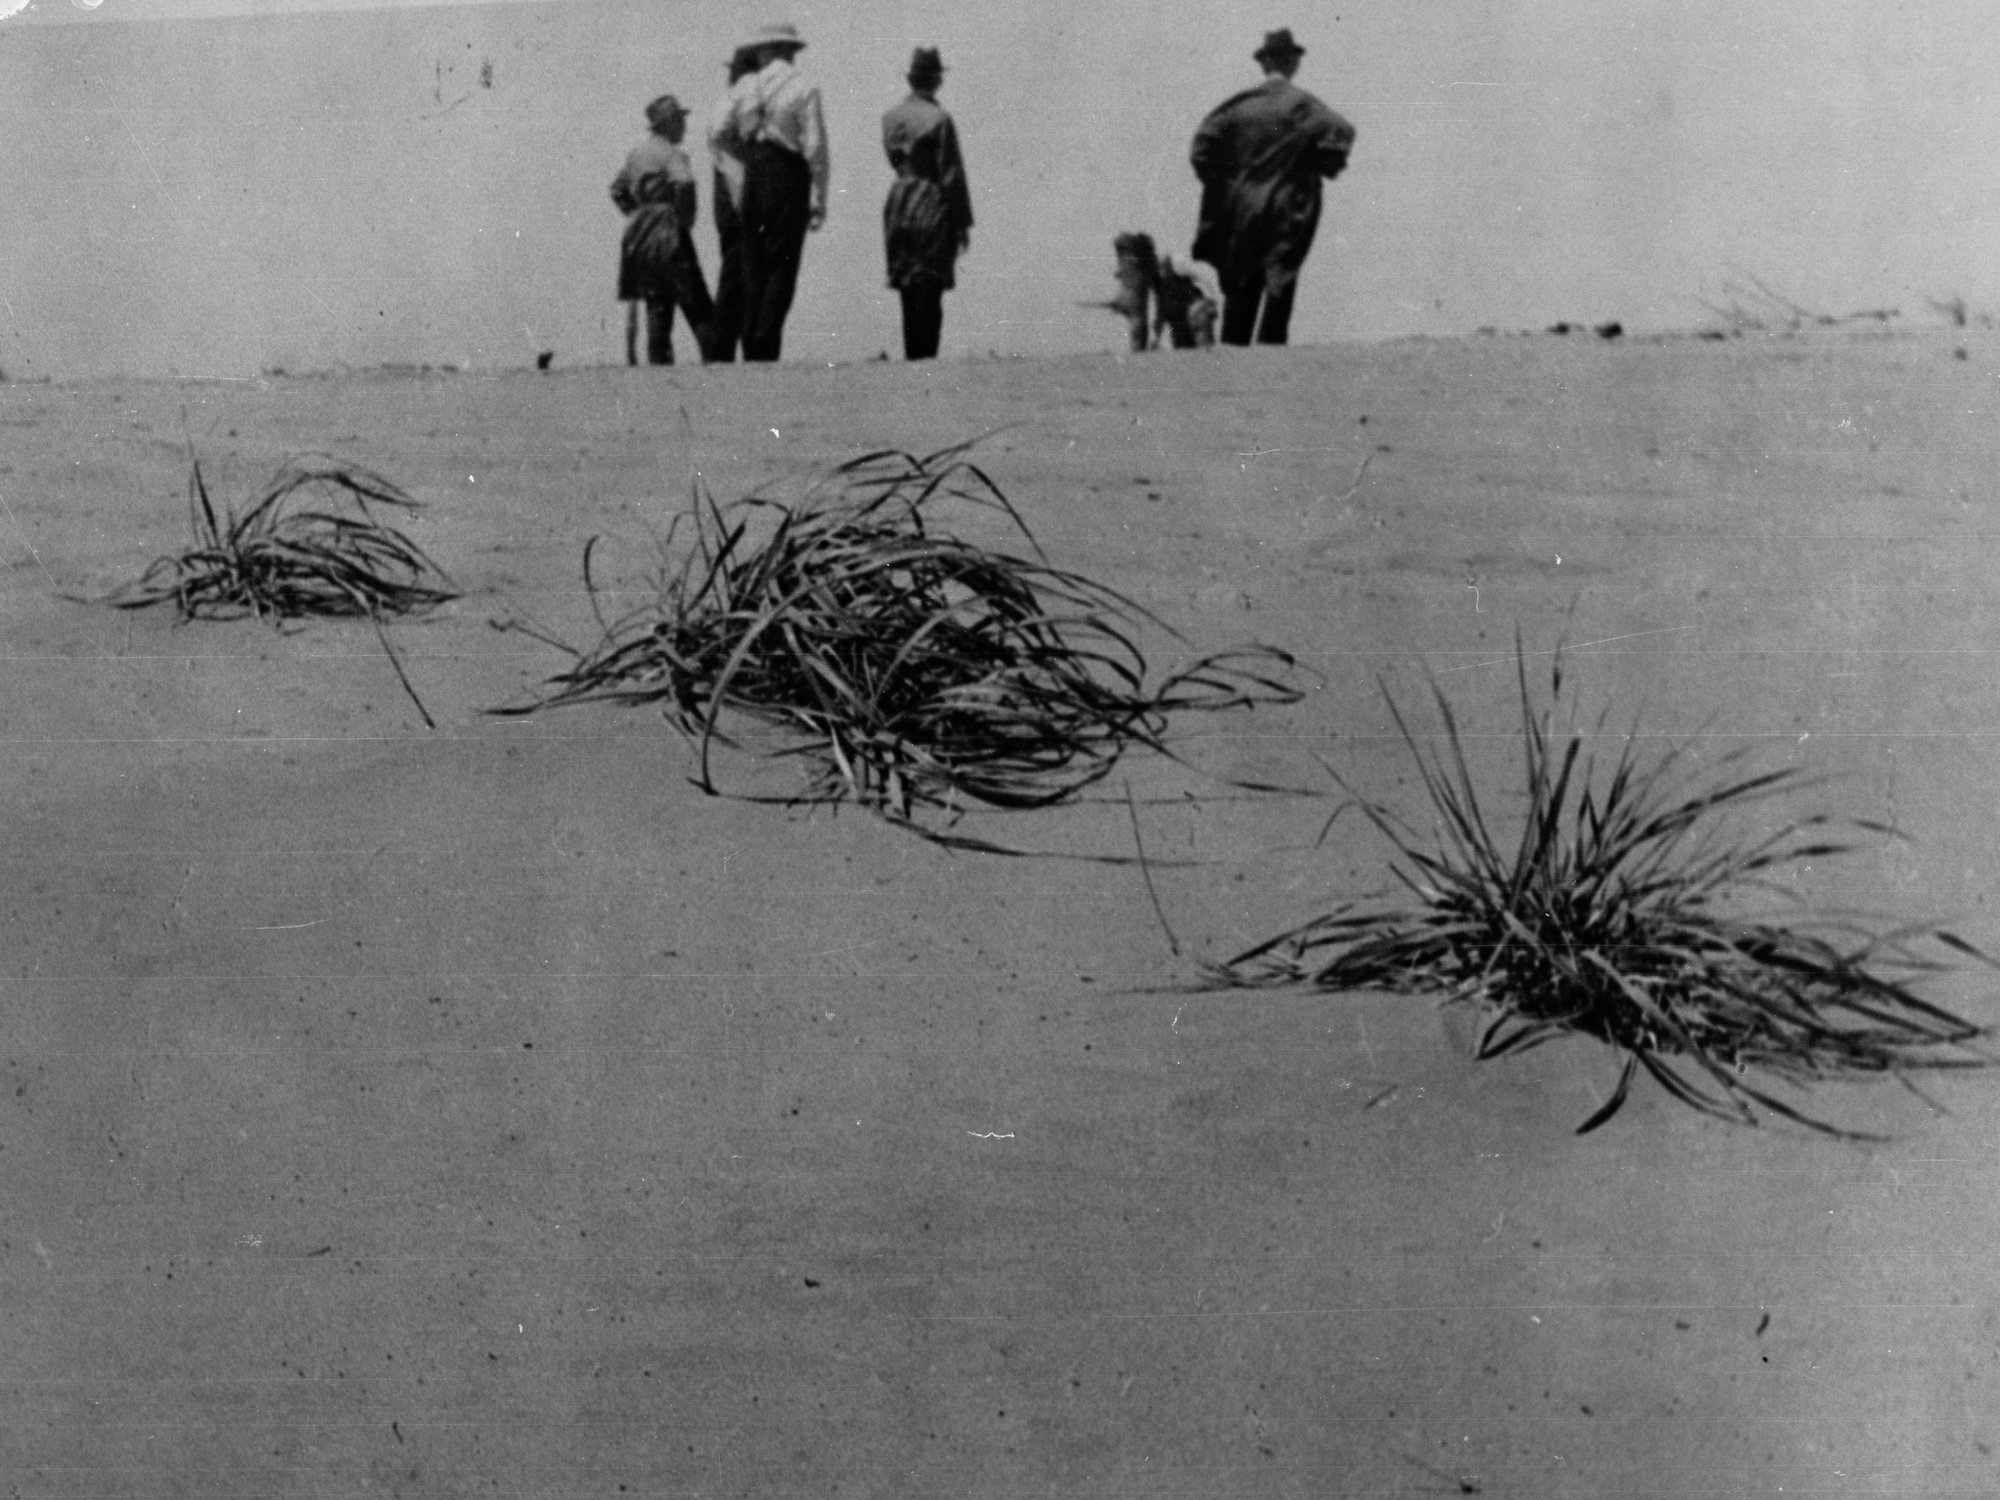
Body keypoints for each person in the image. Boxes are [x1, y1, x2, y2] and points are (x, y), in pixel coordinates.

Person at [1189, 28, 1355, 347]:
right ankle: (1270, 359)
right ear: (1292, 62)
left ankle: (1234, 358)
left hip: (1243, 208)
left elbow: (1201, 148)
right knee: (1280, 279)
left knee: (1241, 283)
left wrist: (1227, 182)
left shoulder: (1237, 107)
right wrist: (1320, 163)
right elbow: (1342, 131)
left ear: (1264, 63)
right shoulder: (1302, 105)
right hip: (1287, 206)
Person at [711, 23, 829, 362]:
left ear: (765, 50)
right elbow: (815, 146)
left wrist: (744, 156)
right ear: (789, 51)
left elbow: (718, 130)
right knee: (781, 262)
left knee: (752, 262)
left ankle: (751, 341)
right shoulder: (803, 85)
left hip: (754, 174)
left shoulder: (746, 85)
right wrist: (818, 196)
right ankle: (765, 344)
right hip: (788, 174)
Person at [880, 47, 972, 361]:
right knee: (929, 283)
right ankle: (925, 358)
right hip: (930, 198)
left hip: (898, 198)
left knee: (906, 280)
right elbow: (951, 174)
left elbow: (893, 158)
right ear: (935, 81)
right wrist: (961, 223)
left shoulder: (890, 118)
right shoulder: (940, 119)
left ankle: (911, 356)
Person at [610, 94, 716, 364]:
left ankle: (658, 380)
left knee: (657, 306)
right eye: (680, 120)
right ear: (668, 122)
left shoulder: (637, 153)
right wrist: (683, 219)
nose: (684, 126)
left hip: (640, 236)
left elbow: (618, 189)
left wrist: (637, 212)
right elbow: (685, 184)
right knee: (698, 305)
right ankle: (718, 372)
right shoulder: (672, 153)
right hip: (669, 230)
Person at [706, 47, 759, 362]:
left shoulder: (727, 100)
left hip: (726, 197)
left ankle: (724, 348)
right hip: (736, 196)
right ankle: (723, 349)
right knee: (736, 275)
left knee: (736, 272)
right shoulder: (742, 99)